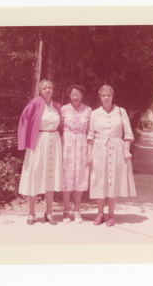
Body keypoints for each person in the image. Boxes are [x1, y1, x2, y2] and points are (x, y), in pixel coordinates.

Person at [87, 85, 136, 227]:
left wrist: (127, 150)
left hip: (116, 150)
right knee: (99, 180)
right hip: (99, 150)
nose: (106, 97)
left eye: (109, 95)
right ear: (100, 97)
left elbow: (128, 133)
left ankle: (111, 215)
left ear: (112, 96)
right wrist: (89, 154)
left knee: (113, 181)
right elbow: (90, 135)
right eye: (103, 95)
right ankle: (100, 213)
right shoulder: (95, 113)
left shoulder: (121, 112)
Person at [18, 79, 62, 225]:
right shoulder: (34, 104)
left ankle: (49, 212)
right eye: (45, 88)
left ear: (53, 89)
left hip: (54, 142)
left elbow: (60, 126)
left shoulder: (57, 106)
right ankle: (31, 212)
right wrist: (24, 142)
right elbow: (24, 121)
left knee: (51, 176)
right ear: (40, 90)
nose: (48, 90)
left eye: (50, 88)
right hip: (38, 142)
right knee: (35, 175)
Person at [61, 85, 92, 223]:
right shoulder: (63, 109)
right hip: (66, 144)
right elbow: (59, 128)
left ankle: (77, 210)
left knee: (79, 177)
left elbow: (90, 131)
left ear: (82, 95)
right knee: (66, 177)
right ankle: (66, 210)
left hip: (81, 144)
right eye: (72, 94)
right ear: (69, 96)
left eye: (77, 94)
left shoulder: (88, 110)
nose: (75, 97)